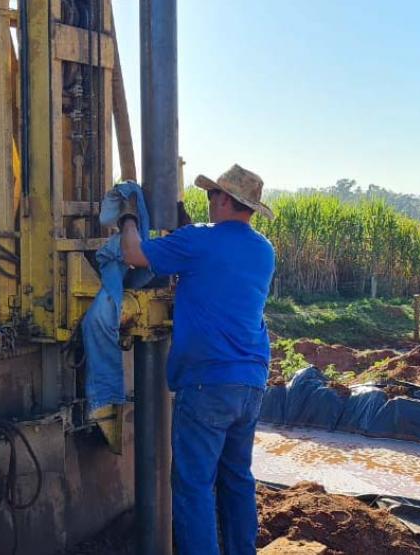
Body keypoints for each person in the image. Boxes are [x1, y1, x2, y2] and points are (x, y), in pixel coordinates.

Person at [119, 164, 275, 555]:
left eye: (212, 196)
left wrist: (127, 216)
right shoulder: (263, 250)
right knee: (237, 477)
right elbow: (220, 276)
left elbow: (134, 254)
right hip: (251, 381)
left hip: (207, 382)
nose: (208, 203)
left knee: (193, 484)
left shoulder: (199, 242)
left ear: (225, 200)